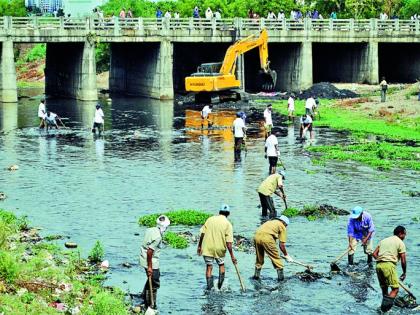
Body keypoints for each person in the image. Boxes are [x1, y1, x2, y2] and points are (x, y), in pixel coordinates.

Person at [197, 204, 237, 290]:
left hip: (207, 247)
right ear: (228, 214)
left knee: (209, 267)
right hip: (219, 248)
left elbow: (202, 234)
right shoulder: (228, 224)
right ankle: (219, 287)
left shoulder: (210, 219)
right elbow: (229, 243)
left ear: (219, 212)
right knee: (221, 265)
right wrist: (232, 256)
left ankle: (209, 288)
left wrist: (199, 246)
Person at [372, 226, 407, 312]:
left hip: (379, 266)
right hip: (389, 265)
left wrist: (381, 260)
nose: (405, 236)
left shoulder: (384, 240)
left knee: (385, 289)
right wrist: (404, 273)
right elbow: (403, 260)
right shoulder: (400, 242)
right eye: (404, 234)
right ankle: (383, 310)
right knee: (395, 289)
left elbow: (374, 253)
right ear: (400, 234)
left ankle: (384, 309)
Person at [139, 215, 171, 310]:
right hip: (151, 261)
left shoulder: (150, 229)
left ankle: (144, 297)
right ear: (164, 227)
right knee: (155, 282)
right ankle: (151, 304)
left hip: (143, 257)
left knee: (151, 279)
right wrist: (150, 267)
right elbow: (150, 251)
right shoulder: (158, 237)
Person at [253, 215, 293, 281]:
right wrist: (287, 255)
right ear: (284, 223)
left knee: (259, 258)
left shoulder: (270, 222)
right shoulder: (282, 226)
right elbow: (281, 245)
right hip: (267, 239)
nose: (285, 227)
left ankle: (256, 277)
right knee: (277, 259)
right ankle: (281, 280)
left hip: (256, 237)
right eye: (286, 225)